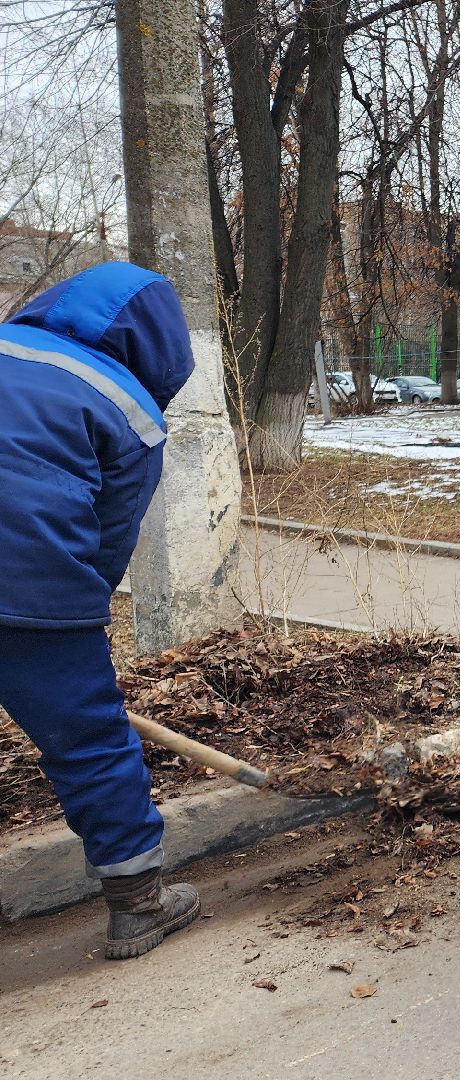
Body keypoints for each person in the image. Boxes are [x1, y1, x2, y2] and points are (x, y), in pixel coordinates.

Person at [0, 262, 202, 959]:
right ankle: (138, 906)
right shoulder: (127, 407)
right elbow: (110, 543)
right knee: (90, 743)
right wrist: (74, 631)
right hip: (35, 586)